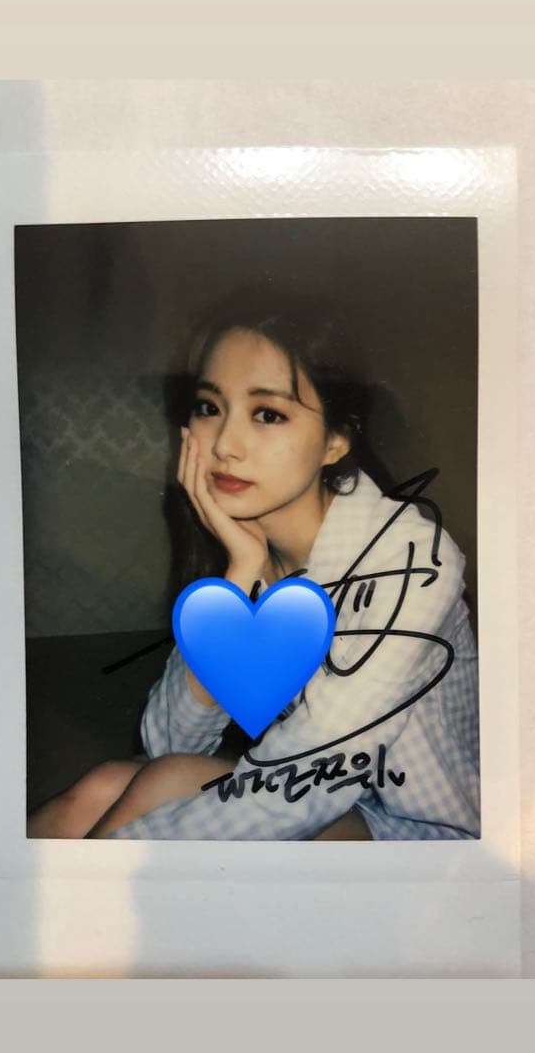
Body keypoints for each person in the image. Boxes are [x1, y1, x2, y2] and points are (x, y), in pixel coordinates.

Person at [27, 290, 480, 842]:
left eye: (268, 414)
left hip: (428, 840)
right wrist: (239, 573)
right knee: (106, 787)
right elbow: (167, 744)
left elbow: (308, 779)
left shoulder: (412, 559)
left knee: (153, 798)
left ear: (336, 440)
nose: (225, 445)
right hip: (336, 808)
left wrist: (119, 869)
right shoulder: (253, 548)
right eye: (209, 408)